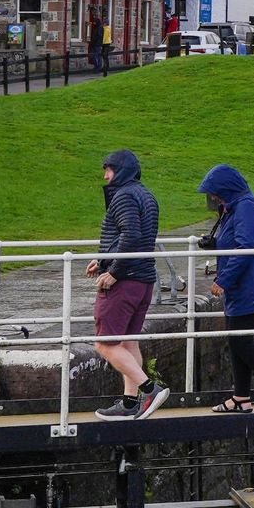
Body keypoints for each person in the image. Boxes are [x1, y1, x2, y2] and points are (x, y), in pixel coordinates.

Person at [197, 164, 254, 413]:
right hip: (243, 287)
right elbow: (235, 240)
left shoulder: (245, 207)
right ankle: (241, 398)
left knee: (240, 342)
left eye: (214, 192)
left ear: (226, 189)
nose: (212, 197)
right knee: (237, 341)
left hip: (251, 286)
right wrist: (214, 243)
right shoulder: (233, 207)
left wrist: (223, 280)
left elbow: (245, 248)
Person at [89, 149, 168, 420]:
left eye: (108, 169)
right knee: (128, 343)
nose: (105, 175)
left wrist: (113, 271)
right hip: (144, 281)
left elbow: (131, 235)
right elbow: (136, 236)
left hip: (125, 281)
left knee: (105, 343)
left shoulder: (123, 195)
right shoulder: (146, 194)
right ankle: (130, 402)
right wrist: (102, 262)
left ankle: (150, 389)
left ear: (120, 170)